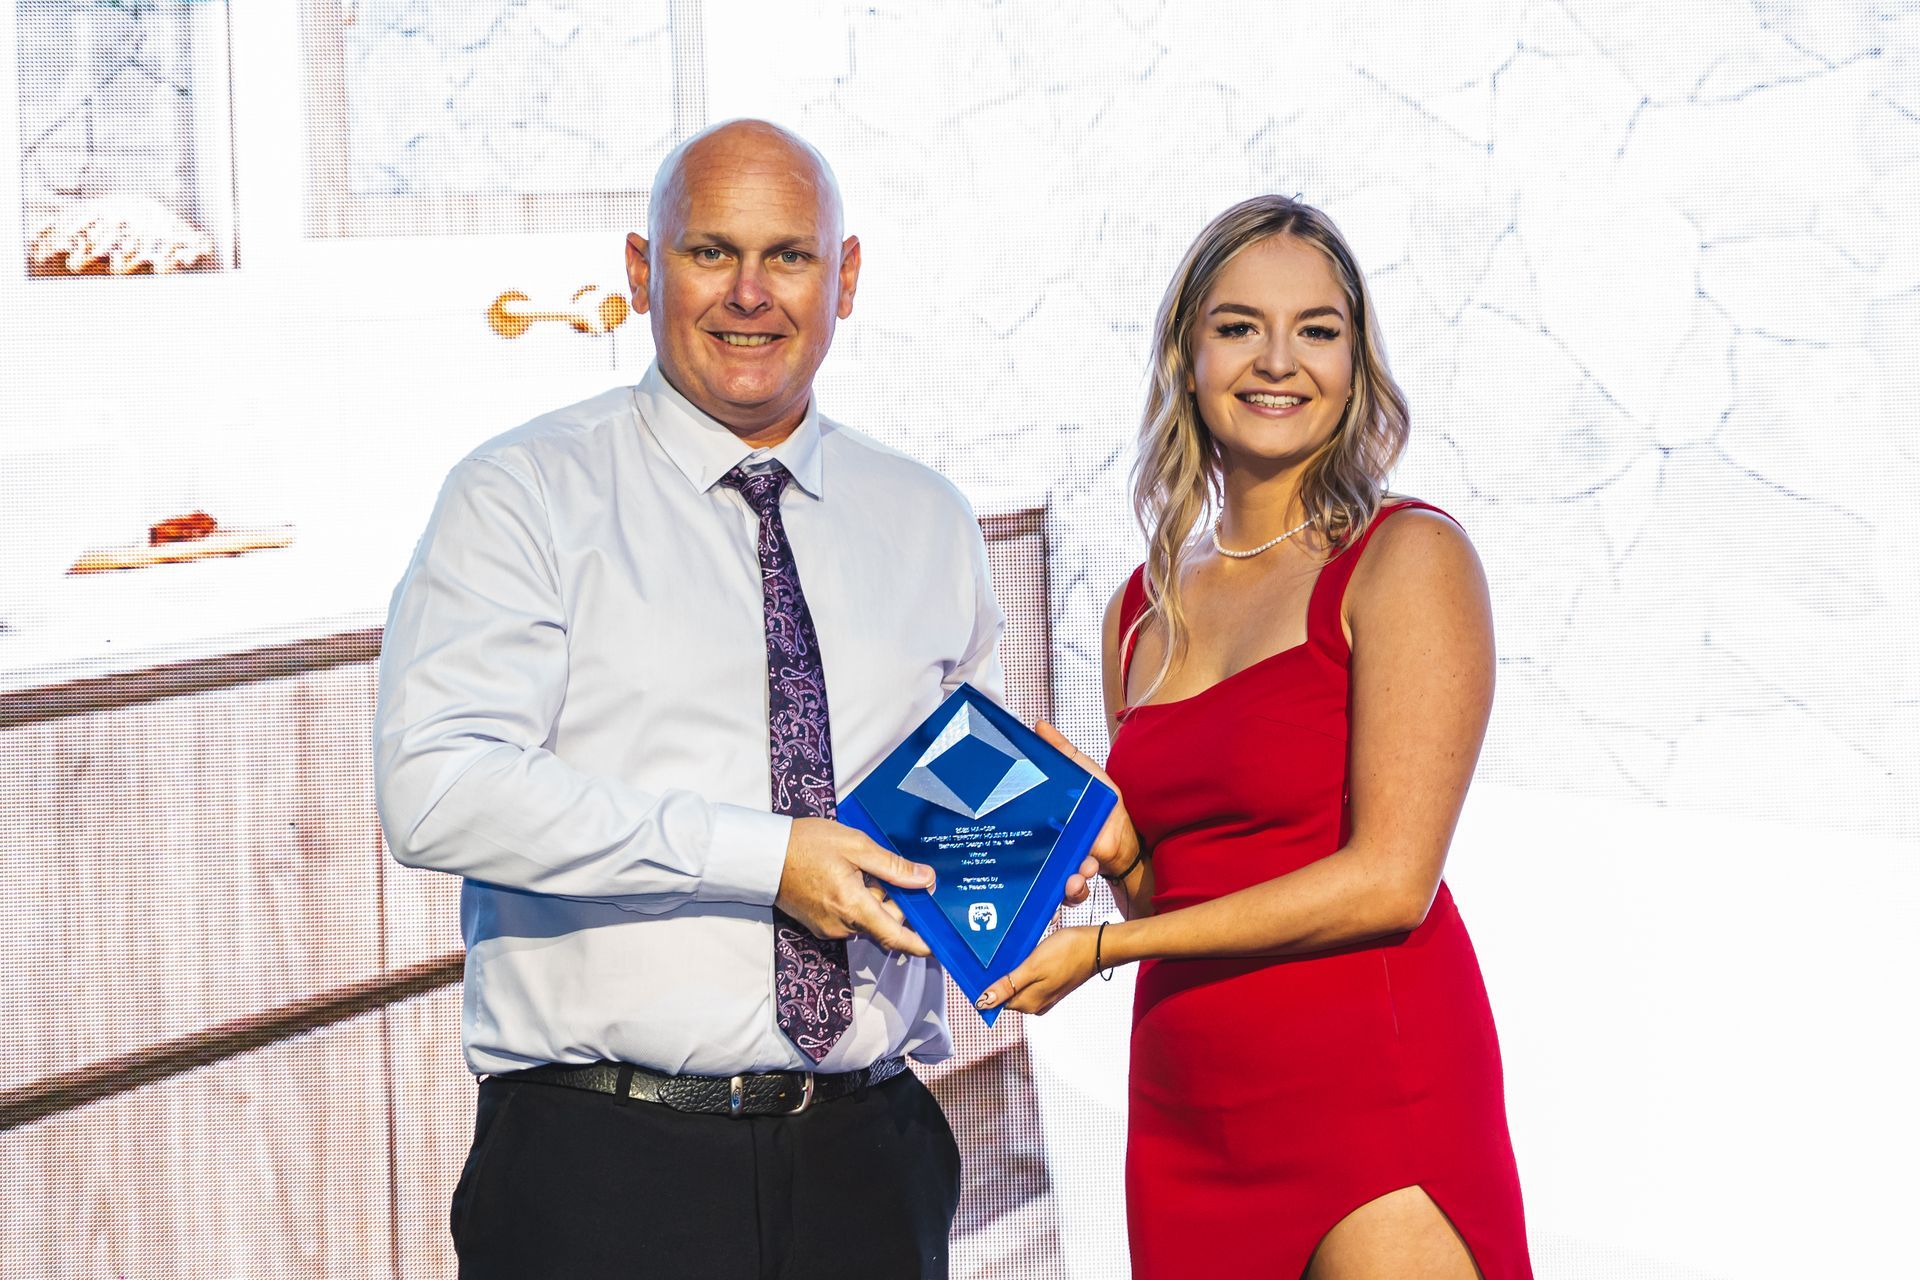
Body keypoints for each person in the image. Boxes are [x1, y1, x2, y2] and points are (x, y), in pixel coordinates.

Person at [374, 119, 1091, 1280]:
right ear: (641, 269)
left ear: (843, 278)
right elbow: (437, 788)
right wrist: (767, 857)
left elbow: (946, 812)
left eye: (788, 256)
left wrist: (1043, 832)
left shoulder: (925, 518)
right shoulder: (522, 494)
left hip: (872, 1158)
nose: (749, 293)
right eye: (711, 251)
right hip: (604, 1166)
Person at [980, 196, 1533, 1278]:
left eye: (1317, 330)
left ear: (1355, 365)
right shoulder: (1141, 608)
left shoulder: (1406, 558)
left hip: (1374, 1105)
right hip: (1188, 1108)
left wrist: (1103, 949)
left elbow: (1390, 882)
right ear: (1187, 357)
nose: (1279, 360)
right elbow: (1180, 902)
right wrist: (1121, 852)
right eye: (1239, 326)